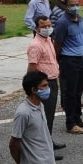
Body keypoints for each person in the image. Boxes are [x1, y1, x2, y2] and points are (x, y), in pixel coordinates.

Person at [53, 0, 83, 135]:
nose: (75, 7)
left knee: (78, 91)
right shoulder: (62, 23)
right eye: (72, 5)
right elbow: (57, 43)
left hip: (81, 59)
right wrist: (58, 61)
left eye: (77, 4)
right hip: (69, 60)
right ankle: (70, 123)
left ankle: (78, 118)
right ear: (65, 6)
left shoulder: (80, 19)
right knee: (70, 92)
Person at [26, 16, 63, 149]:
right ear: (36, 28)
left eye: (49, 25)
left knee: (50, 114)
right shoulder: (35, 45)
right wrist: (33, 88)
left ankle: (49, 140)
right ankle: (44, 147)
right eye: (43, 26)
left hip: (53, 81)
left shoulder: (48, 40)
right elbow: (32, 68)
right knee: (44, 116)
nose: (47, 28)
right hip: (43, 85)